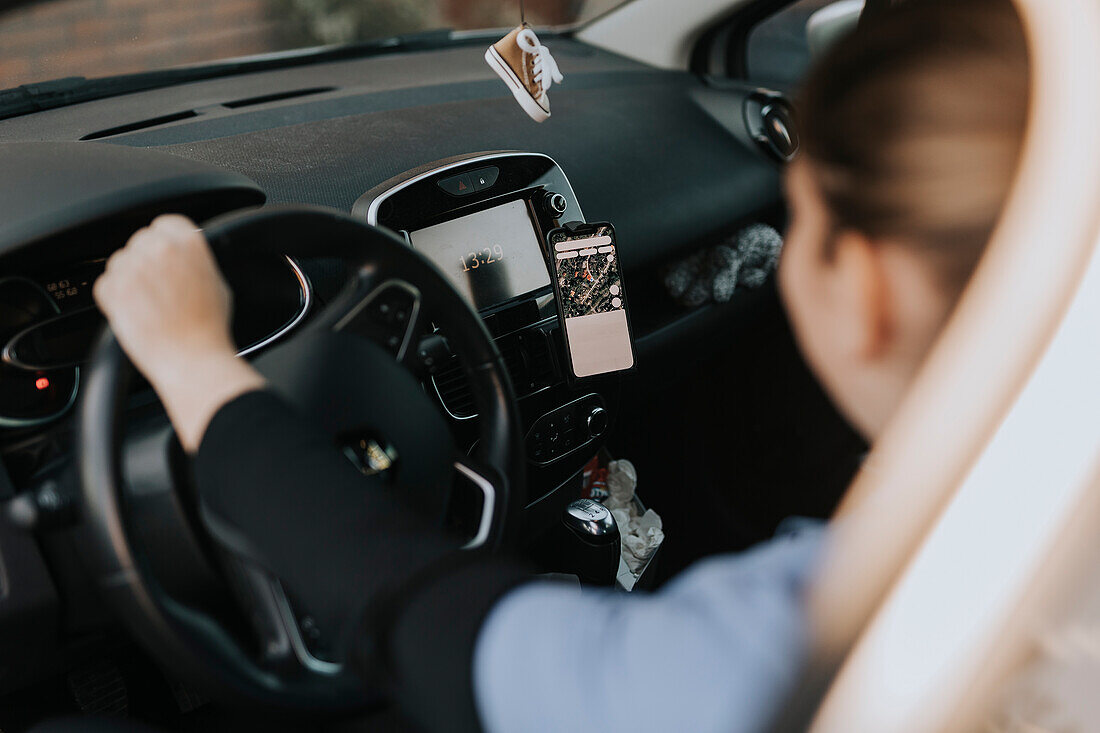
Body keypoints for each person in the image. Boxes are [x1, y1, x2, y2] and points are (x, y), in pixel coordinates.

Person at [90, 1, 1028, 730]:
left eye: (807, 216)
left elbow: (429, 628)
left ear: (863, 290)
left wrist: (195, 368)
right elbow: (603, 358)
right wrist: (595, 284)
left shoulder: (776, 643)